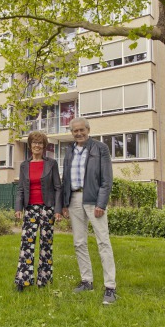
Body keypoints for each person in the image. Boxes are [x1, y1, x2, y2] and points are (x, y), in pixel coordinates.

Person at [62, 117, 117, 305]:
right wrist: (64, 202)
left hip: (94, 200)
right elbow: (65, 179)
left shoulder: (100, 148)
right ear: (72, 133)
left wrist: (101, 203)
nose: (78, 133)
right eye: (75, 131)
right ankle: (87, 281)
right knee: (79, 242)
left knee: (103, 242)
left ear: (88, 129)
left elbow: (106, 179)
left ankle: (110, 287)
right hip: (74, 200)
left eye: (81, 130)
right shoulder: (69, 151)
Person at [14, 131, 62, 292]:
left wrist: (57, 210)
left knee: (46, 244)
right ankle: (23, 280)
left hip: (47, 208)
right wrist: (18, 208)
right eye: (34, 143)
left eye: (40, 143)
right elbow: (20, 188)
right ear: (30, 145)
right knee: (27, 244)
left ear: (44, 146)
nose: (37, 145)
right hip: (30, 208)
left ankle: (44, 281)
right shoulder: (24, 165)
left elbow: (57, 188)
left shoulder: (52, 163)